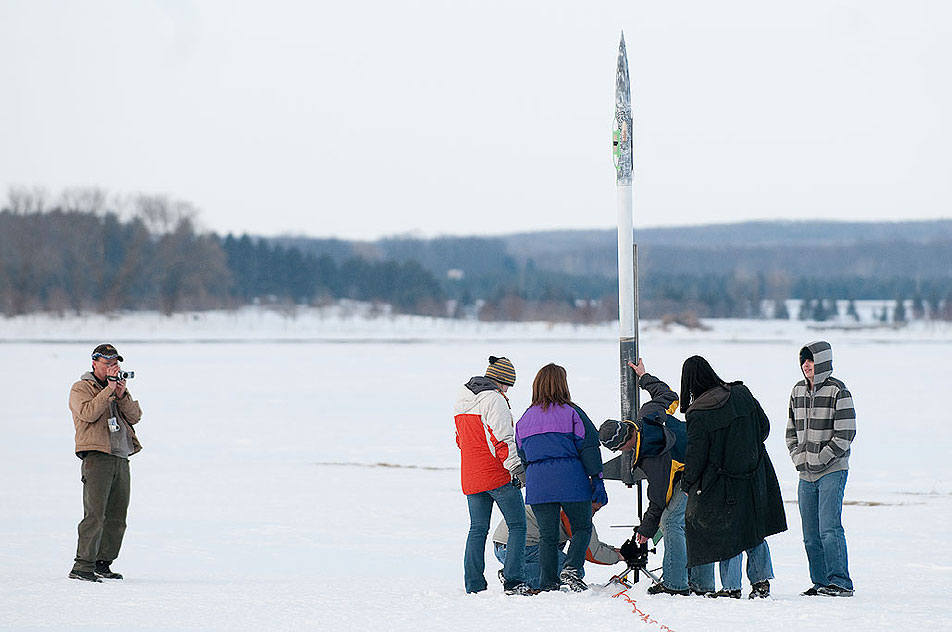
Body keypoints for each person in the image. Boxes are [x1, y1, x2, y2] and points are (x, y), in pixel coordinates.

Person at [679, 355, 787, 599]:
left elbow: (696, 455)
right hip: (755, 474)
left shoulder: (698, 413)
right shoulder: (741, 393)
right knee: (753, 527)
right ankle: (761, 583)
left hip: (722, 482)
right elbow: (764, 427)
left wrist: (687, 484)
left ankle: (731, 588)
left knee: (727, 531)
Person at [599, 359, 707, 596]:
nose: (622, 453)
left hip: (701, 471)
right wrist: (644, 377)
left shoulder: (654, 459)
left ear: (623, 444)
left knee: (669, 521)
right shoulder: (648, 413)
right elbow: (669, 395)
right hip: (703, 459)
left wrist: (646, 530)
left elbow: (659, 499)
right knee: (690, 522)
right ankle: (701, 583)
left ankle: (675, 584)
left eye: (619, 450)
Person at [515, 363, 607, 592]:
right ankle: (572, 569)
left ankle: (549, 584)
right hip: (571, 480)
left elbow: (522, 453)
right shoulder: (573, 412)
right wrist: (597, 479)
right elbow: (589, 446)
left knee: (547, 536)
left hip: (538, 484)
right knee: (582, 528)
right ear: (562, 384)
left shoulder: (525, 418)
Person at [454, 355, 530, 595]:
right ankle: (513, 580)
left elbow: (460, 440)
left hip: (471, 476)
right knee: (518, 525)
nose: (508, 390)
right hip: (496, 475)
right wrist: (517, 469)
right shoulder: (494, 400)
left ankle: (474, 584)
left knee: (477, 529)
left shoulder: (462, 399)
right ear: (500, 381)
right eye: (507, 385)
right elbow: (503, 440)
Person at [68, 343, 143, 582]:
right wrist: (108, 391)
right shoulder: (81, 387)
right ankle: (82, 566)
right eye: (108, 363)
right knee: (95, 514)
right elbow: (88, 413)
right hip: (97, 455)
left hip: (120, 455)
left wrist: (120, 394)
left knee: (117, 516)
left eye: (116, 363)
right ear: (95, 364)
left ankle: (103, 562)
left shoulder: (117, 389)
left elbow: (135, 417)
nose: (114, 367)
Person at [786, 341, 856, 597]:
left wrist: (820, 458)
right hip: (805, 473)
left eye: (811, 360)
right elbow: (790, 431)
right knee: (810, 534)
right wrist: (798, 457)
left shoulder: (839, 391)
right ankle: (820, 582)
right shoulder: (797, 391)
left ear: (823, 361)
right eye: (803, 360)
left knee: (829, 528)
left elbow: (846, 433)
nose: (806, 365)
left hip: (832, 470)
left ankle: (840, 582)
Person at [492, 503, 623, 590]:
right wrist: (620, 557)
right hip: (518, 547)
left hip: (504, 545)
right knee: (572, 571)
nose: (594, 513)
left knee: (559, 559)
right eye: (594, 509)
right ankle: (514, 575)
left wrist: (614, 551)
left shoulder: (564, 499)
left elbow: (590, 542)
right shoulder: (573, 511)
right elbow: (590, 552)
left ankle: (514, 571)